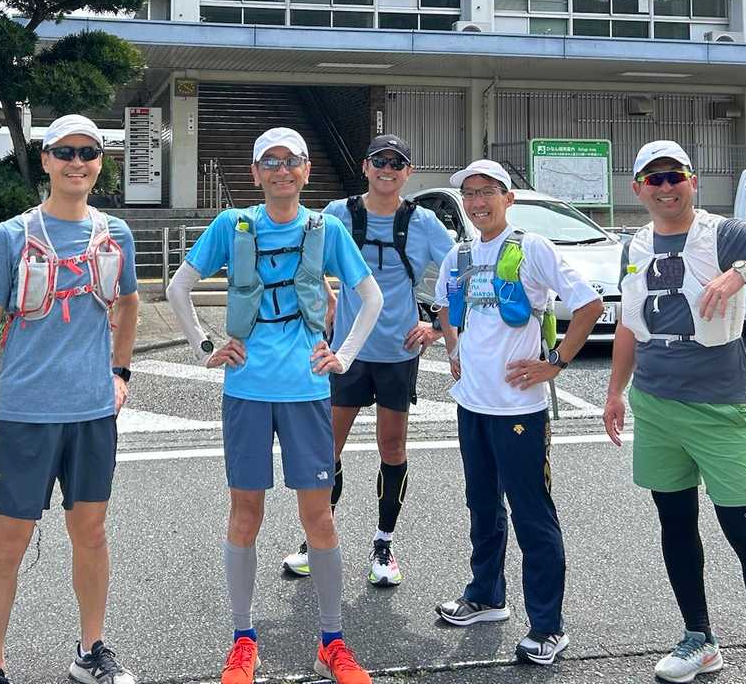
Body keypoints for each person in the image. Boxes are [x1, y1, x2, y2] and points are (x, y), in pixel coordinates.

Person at [603, 141, 746, 684]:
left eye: (674, 176)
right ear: (637, 189)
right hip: (654, 404)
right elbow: (631, 322)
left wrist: (741, 274)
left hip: (717, 409)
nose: (665, 188)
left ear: (692, 181)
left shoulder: (720, 234)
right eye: (653, 179)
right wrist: (615, 392)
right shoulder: (634, 244)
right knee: (676, 525)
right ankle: (700, 640)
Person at [167, 127, 384, 684]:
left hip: (307, 390)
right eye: (271, 162)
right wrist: (206, 347)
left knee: (319, 516)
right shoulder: (232, 225)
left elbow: (371, 296)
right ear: (255, 173)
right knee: (246, 514)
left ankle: (332, 643)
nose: (282, 170)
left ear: (306, 171)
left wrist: (342, 355)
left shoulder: (326, 228)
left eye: (292, 161)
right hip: (245, 389)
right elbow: (177, 287)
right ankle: (244, 641)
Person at [0, 114, 140, 684]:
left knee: (91, 533)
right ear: (45, 159)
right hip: (26, 412)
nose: (77, 162)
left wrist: (120, 372)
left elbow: (129, 304)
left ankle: (91, 650)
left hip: (93, 413)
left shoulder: (116, 233)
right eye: (65, 152)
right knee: (9, 540)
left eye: (88, 153)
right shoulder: (12, 236)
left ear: (100, 163)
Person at [431, 159, 603, 668]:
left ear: (508, 198)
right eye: (470, 193)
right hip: (471, 404)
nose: (478, 202)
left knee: (532, 514)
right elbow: (444, 306)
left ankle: (548, 627)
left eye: (488, 191)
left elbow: (589, 305)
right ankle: (486, 596)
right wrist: (452, 346)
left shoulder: (532, 248)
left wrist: (556, 362)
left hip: (519, 409)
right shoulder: (459, 255)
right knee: (482, 505)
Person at [278, 133, 455, 587]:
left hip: (398, 352)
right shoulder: (339, 213)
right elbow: (303, 260)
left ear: (408, 172)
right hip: (346, 354)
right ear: (365, 166)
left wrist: (436, 327)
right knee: (326, 448)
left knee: (392, 447)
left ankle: (384, 543)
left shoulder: (423, 222)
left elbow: (460, 271)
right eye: (380, 161)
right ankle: (316, 539)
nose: (387, 170)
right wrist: (328, 297)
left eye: (397, 163)